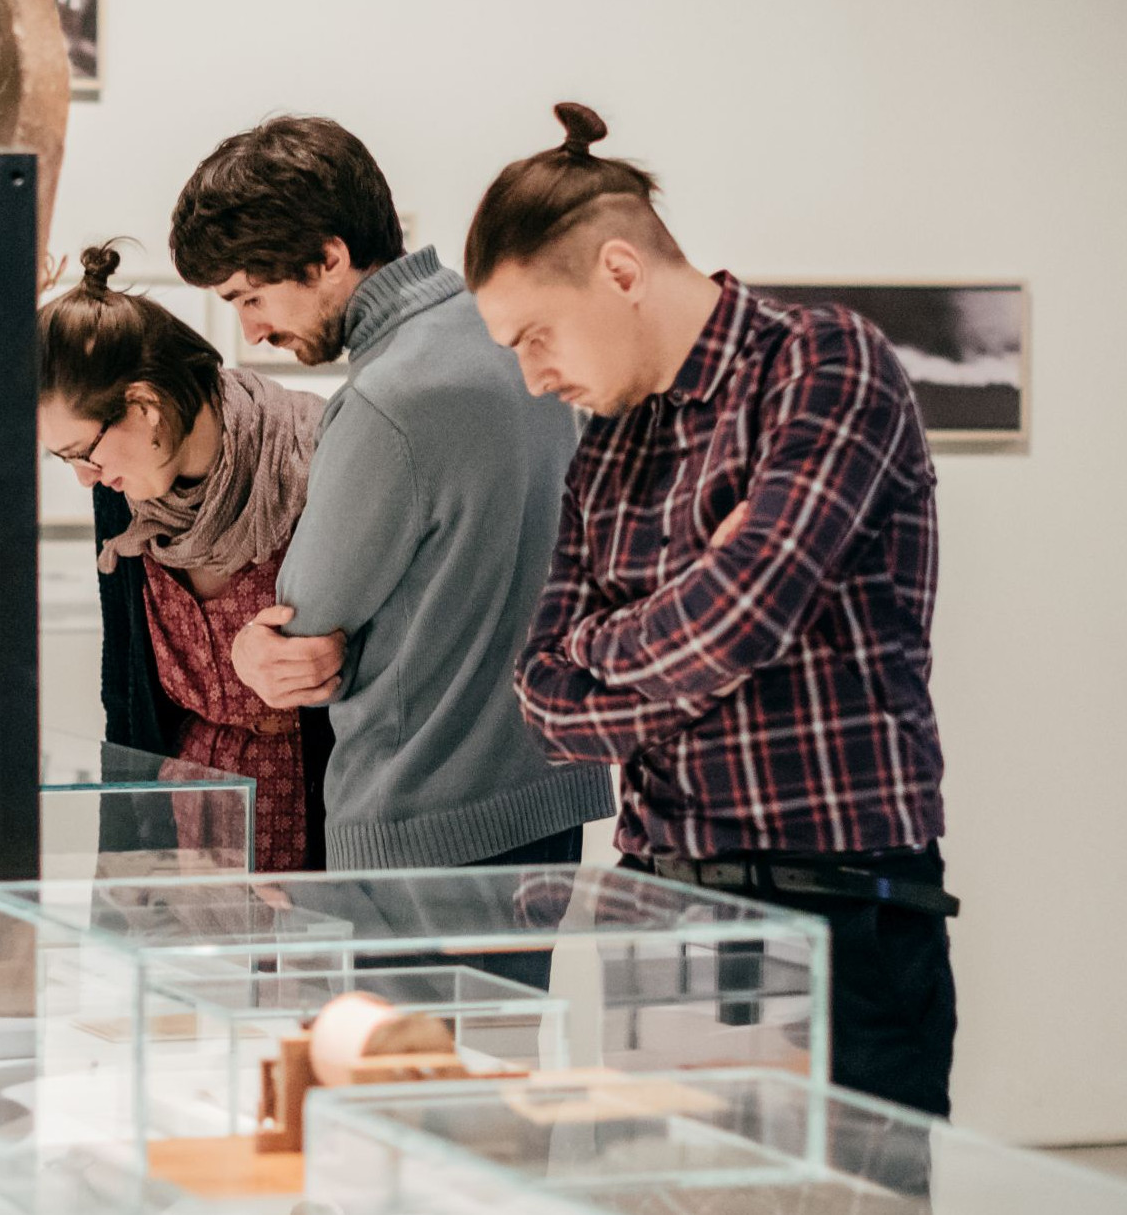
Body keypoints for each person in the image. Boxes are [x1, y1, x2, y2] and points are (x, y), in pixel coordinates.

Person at [464, 101, 957, 1115]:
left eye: (535, 334)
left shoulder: (822, 365)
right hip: (665, 903)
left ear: (618, 271)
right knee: (666, 1190)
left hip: (835, 905)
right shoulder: (609, 441)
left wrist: (623, 640)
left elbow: (743, 620)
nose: (531, 374)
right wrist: (691, 609)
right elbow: (546, 700)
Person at [168, 116, 615, 876]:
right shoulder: (507, 338)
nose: (250, 329)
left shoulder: (387, 399)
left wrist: (250, 647)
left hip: (420, 824)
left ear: (328, 257)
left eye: (251, 296)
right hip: (544, 798)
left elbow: (302, 625)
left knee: (403, 1004)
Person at [38, 242, 331, 873]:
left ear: (144, 409)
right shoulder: (126, 499)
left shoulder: (312, 460)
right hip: (182, 818)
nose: (85, 478)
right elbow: (128, 692)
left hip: (319, 810)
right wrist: (130, 868)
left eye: (82, 452)